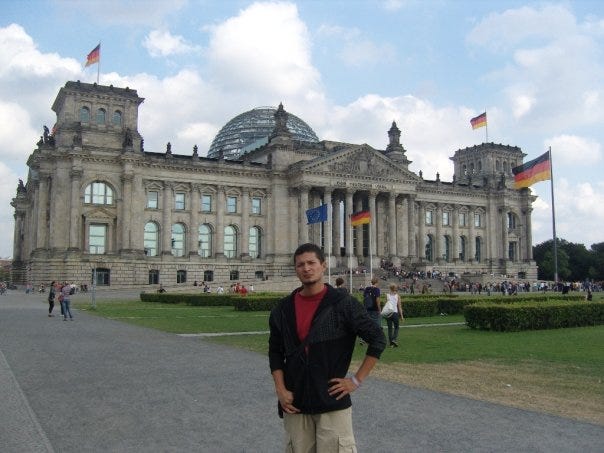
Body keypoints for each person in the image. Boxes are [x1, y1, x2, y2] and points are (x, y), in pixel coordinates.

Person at [269, 243, 386, 452]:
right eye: (300, 265)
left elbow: (378, 339)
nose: (306, 268)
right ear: (295, 269)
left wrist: (355, 380)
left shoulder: (343, 303)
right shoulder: (283, 309)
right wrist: (280, 389)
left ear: (323, 266)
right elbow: (275, 352)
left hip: (332, 402)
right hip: (295, 402)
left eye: (311, 263)